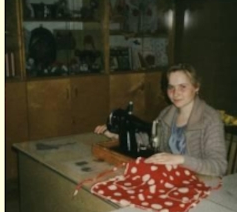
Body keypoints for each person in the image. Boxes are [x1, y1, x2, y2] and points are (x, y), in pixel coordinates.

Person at [95, 63, 227, 176]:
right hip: (171, 177)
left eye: (182, 86)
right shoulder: (166, 114)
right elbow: (150, 139)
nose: (175, 93)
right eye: (171, 87)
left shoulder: (210, 119)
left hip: (200, 181)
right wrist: (119, 134)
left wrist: (180, 159)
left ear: (196, 87)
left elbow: (219, 166)